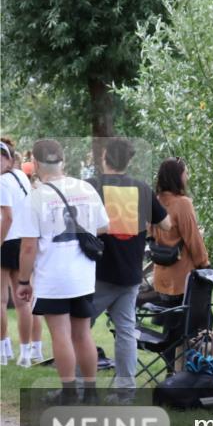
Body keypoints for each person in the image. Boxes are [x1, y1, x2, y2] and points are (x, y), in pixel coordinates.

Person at [15, 139, 109, 404]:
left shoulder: (36, 197)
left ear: (35, 163)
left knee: (61, 334)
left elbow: (29, 247)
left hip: (53, 277)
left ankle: (68, 392)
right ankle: (90, 393)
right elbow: (103, 226)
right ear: (63, 160)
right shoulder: (86, 188)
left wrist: (23, 280)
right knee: (82, 334)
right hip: (83, 275)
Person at [86, 138, 171, 400]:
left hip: (99, 271)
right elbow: (166, 224)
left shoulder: (94, 187)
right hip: (130, 271)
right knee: (125, 331)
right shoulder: (142, 188)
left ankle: (78, 386)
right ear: (129, 161)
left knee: (78, 329)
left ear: (105, 158)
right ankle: (124, 391)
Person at [151, 157, 210, 371]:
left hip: (161, 276)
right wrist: (204, 264)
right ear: (178, 176)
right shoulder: (182, 203)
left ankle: (171, 370)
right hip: (182, 277)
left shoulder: (155, 201)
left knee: (169, 328)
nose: (187, 177)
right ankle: (187, 372)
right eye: (185, 172)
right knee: (190, 327)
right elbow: (192, 238)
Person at [1, 139, 43, 366]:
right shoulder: (21, 178)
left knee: (3, 301)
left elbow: (7, 217)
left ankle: (4, 351)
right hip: (25, 240)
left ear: (9, 158)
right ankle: (32, 351)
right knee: (26, 300)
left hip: (7, 240)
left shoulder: (2, 182)